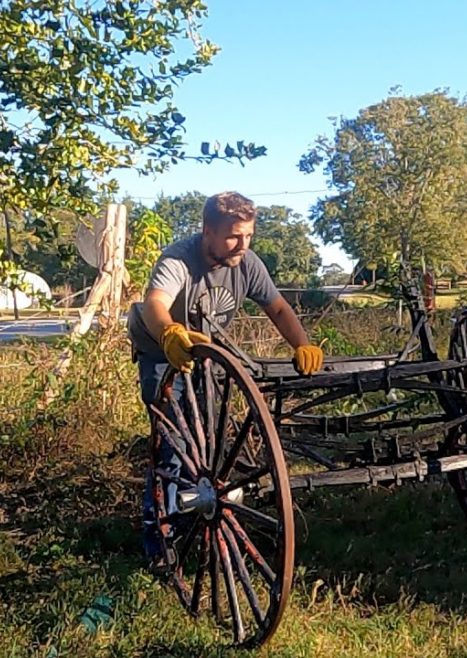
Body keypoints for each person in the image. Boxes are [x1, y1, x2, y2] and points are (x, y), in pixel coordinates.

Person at [128, 190, 324, 569]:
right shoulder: (179, 259)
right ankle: (160, 538)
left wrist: (302, 344)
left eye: (248, 235)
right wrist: (170, 333)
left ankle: (195, 509)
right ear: (208, 232)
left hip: (206, 352)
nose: (243, 244)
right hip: (162, 350)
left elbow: (277, 307)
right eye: (234, 236)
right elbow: (155, 303)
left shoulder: (247, 263)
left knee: (207, 438)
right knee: (172, 444)